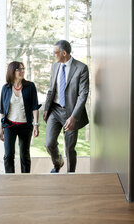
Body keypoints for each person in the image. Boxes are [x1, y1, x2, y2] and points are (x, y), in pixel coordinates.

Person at [43, 40, 89, 173]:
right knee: (49, 143)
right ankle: (58, 163)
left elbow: (83, 95)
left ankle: (71, 175)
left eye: (55, 53)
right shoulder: (55, 66)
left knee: (69, 148)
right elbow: (51, 90)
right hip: (55, 110)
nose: (53, 55)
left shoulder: (81, 68)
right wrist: (46, 108)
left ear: (64, 53)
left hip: (71, 112)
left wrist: (74, 117)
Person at [0, 61, 41, 173]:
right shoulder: (6, 88)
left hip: (25, 126)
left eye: (23, 69)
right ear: (12, 71)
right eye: (19, 69)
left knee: (24, 155)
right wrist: (1, 129)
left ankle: (25, 180)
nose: (22, 71)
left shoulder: (30, 86)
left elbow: (35, 107)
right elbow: (2, 110)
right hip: (9, 125)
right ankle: (10, 179)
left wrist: (36, 125)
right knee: (8, 155)